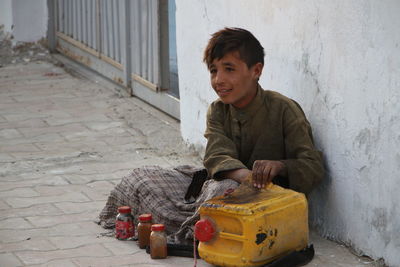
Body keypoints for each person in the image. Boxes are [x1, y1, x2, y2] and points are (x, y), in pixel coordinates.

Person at [98, 27, 324, 244]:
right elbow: (217, 156)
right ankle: (198, 224)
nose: (219, 80)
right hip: (225, 187)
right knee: (144, 177)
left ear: (256, 70)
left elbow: (312, 166)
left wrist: (280, 167)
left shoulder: (284, 109)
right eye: (214, 70)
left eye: (229, 69)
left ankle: (196, 227)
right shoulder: (218, 110)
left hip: (265, 201)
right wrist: (249, 178)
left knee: (220, 192)